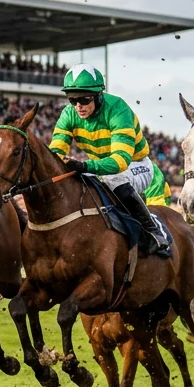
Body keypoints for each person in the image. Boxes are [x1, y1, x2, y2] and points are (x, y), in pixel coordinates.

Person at [49, 64, 170, 256]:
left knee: (113, 178)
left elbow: (120, 161)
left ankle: (153, 232)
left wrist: (84, 165)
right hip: (102, 167)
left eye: (84, 99)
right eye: (72, 99)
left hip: (136, 165)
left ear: (98, 95)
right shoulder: (68, 114)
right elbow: (55, 152)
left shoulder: (118, 109)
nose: (78, 105)